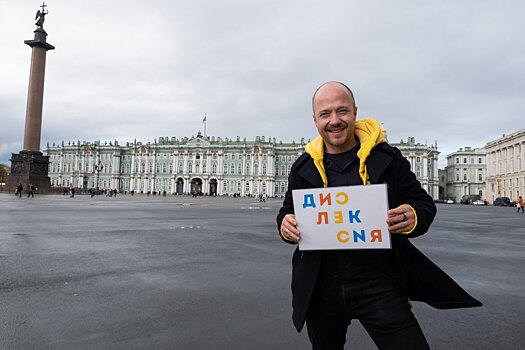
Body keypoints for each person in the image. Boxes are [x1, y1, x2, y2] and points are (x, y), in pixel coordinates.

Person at [277, 81, 481, 349]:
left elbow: (422, 203)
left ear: (355, 112)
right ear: (315, 119)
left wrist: (413, 216)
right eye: (325, 114)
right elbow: (287, 211)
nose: (335, 121)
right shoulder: (303, 166)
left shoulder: (386, 157)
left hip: (379, 282)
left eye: (342, 111)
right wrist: (285, 225)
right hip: (321, 287)